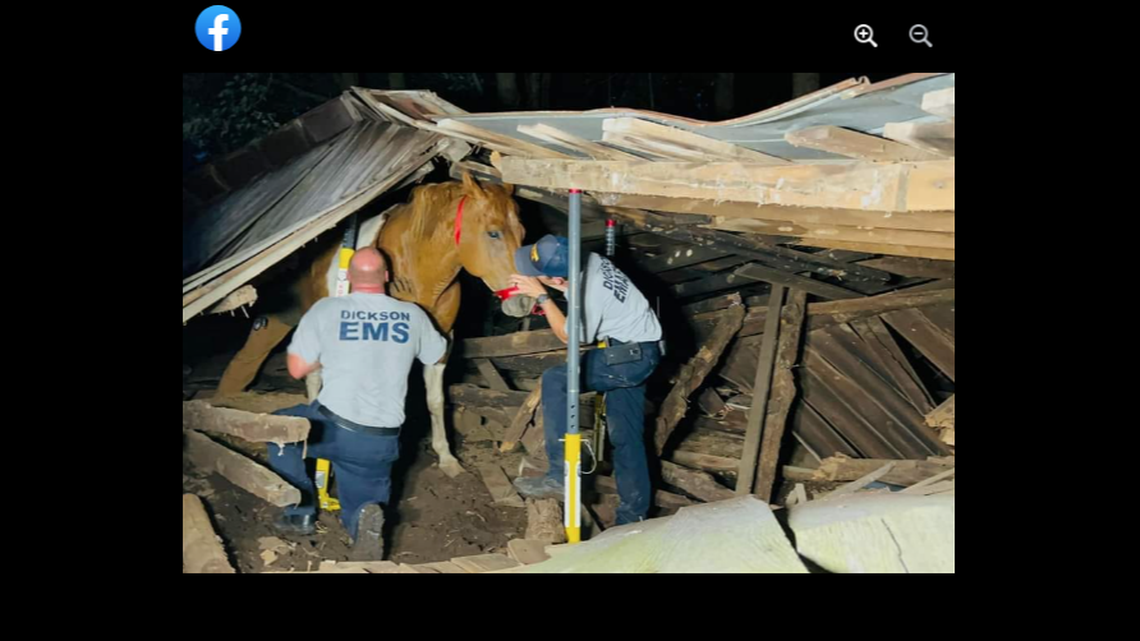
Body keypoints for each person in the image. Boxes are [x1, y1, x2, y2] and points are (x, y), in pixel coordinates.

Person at [267, 248, 447, 560]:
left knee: (279, 430)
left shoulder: (327, 309)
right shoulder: (415, 314)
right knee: (363, 504)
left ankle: (302, 511)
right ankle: (361, 527)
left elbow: (297, 369)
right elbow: (437, 356)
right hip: (381, 440)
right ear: (387, 277)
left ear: (348, 278)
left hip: (329, 428)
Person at [508, 234, 663, 525]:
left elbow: (571, 337)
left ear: (555, 275)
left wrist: (542, 297)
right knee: (627, 437)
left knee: (556, 380)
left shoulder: (587, 292)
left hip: (630, 358)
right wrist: (558, 287)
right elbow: (576, 290)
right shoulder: (590, 259)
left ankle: (560, 476)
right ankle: (633, 517)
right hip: (640, 349)